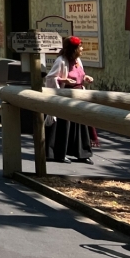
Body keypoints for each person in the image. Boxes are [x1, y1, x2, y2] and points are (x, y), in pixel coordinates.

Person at [45, 36, 94, 164]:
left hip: (78, 96)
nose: (82, 49)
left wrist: (86, 78)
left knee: (80, 124)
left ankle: (82, 153)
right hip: (65, 97)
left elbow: (80, 75)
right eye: (80, 47)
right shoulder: (60, 61)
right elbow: (50, 78)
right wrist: (63, 80)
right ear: (73, 49)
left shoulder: (77, 60)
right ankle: (59, 154)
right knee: (64, 126)